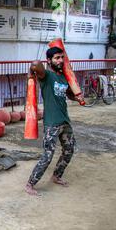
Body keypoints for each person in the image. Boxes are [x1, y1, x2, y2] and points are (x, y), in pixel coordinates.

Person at [24, 47, 84, 196]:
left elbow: (68, 93)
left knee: (69, 150)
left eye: (62, 57)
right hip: (52, 123)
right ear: (49, 61)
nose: (61, 60)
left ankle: (57, 176)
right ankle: (30, 184)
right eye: (57, 58)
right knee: (48, 155)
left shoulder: (64, 77)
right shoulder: (46, 76)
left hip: (65, 121)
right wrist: (33, 69)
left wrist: (76, 98)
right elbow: (36, 63)